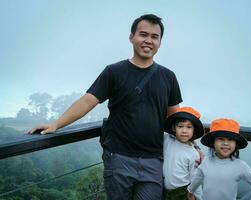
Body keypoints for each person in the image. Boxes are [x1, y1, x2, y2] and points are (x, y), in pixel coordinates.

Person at [29, 14, 182, 199]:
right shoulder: (114, 72)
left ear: (160, 42)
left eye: (154, 36)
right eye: (143, 34)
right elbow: (87, 101)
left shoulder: (168, 77)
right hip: (119, 158)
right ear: (131, 37)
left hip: (154, 160)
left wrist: (190, 144)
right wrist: (56, 124)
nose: (148, 40)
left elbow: (175, 117)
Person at [187, 118, 251, 200]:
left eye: (230, 140)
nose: (226, 143)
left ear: (236, 144)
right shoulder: (206, 161)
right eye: (221, 139)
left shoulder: (241, 166)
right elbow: (198, 177)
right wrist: (191, 190)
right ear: (213, 143)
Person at [163, 106, 204, 200]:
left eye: (189, 127)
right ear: (173, 128)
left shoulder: (193, 154)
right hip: (164, 190)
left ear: (194, 130)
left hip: (182, 192)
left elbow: (195, 178)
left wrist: (198, 197)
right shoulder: (168, 140)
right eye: (180, 126)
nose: (184, 131)